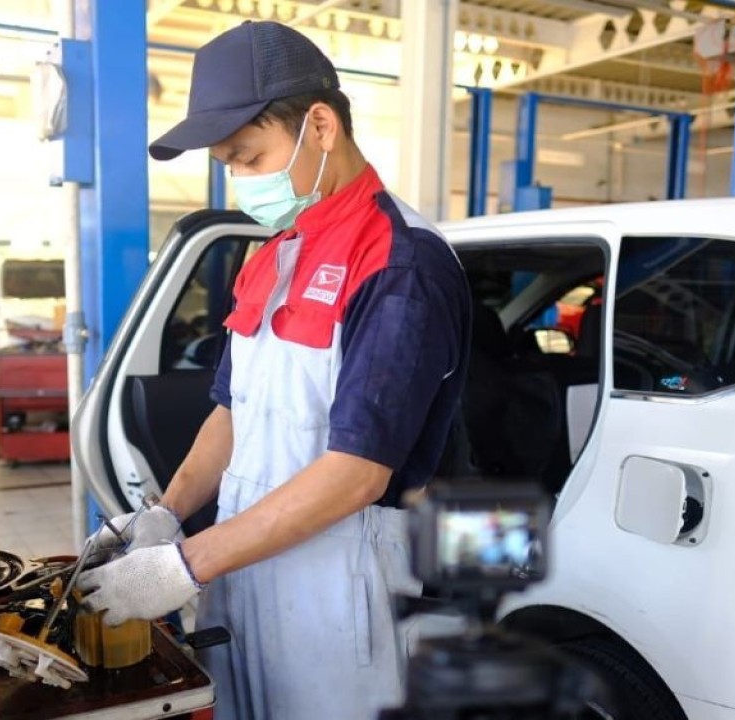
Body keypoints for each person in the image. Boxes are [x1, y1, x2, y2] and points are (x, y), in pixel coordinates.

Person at [77, 20, 471, 719]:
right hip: (245, 559)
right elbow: (233, 409)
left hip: (338, 579)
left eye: (249, 156)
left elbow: (357, 472)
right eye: (229, 163)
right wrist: (167, 515)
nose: (240, 179)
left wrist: (185, 566)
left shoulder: (400, 263)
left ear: (320, 126)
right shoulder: (275, 253)